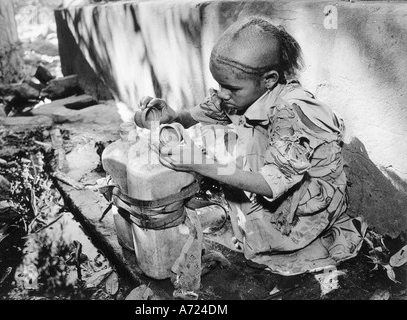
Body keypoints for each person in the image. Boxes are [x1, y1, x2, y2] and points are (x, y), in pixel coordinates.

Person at [137, 16, 367, 276]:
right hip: (274, 179)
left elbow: (270, 184)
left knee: (219, 160)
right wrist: (174, 117)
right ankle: (249, 224)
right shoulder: (242, 93)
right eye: (219, 84)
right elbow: (200, 115)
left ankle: (277, 239)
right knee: (217, 143)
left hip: (302, 200)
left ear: (269, 79)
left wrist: (201, 164)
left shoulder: (292, 111)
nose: (222, 94)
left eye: (230, 87)